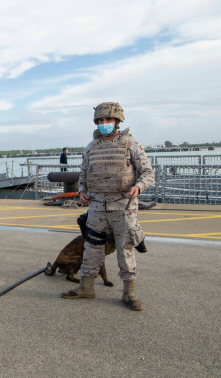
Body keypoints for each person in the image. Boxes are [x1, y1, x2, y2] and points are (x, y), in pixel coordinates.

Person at [62, 102, 154, 311]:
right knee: (92, 247)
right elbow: (84, 172)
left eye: (108, 120)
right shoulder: (92, 147)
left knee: (125, 248)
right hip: (96, 206)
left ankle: (129, 293)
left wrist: (138, 188)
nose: (105, 124)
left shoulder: (130, 144)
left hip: (123, 206)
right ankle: (86, 287)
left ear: (117, 122)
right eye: (101, 121)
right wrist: (83, 190)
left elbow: (148, 173)